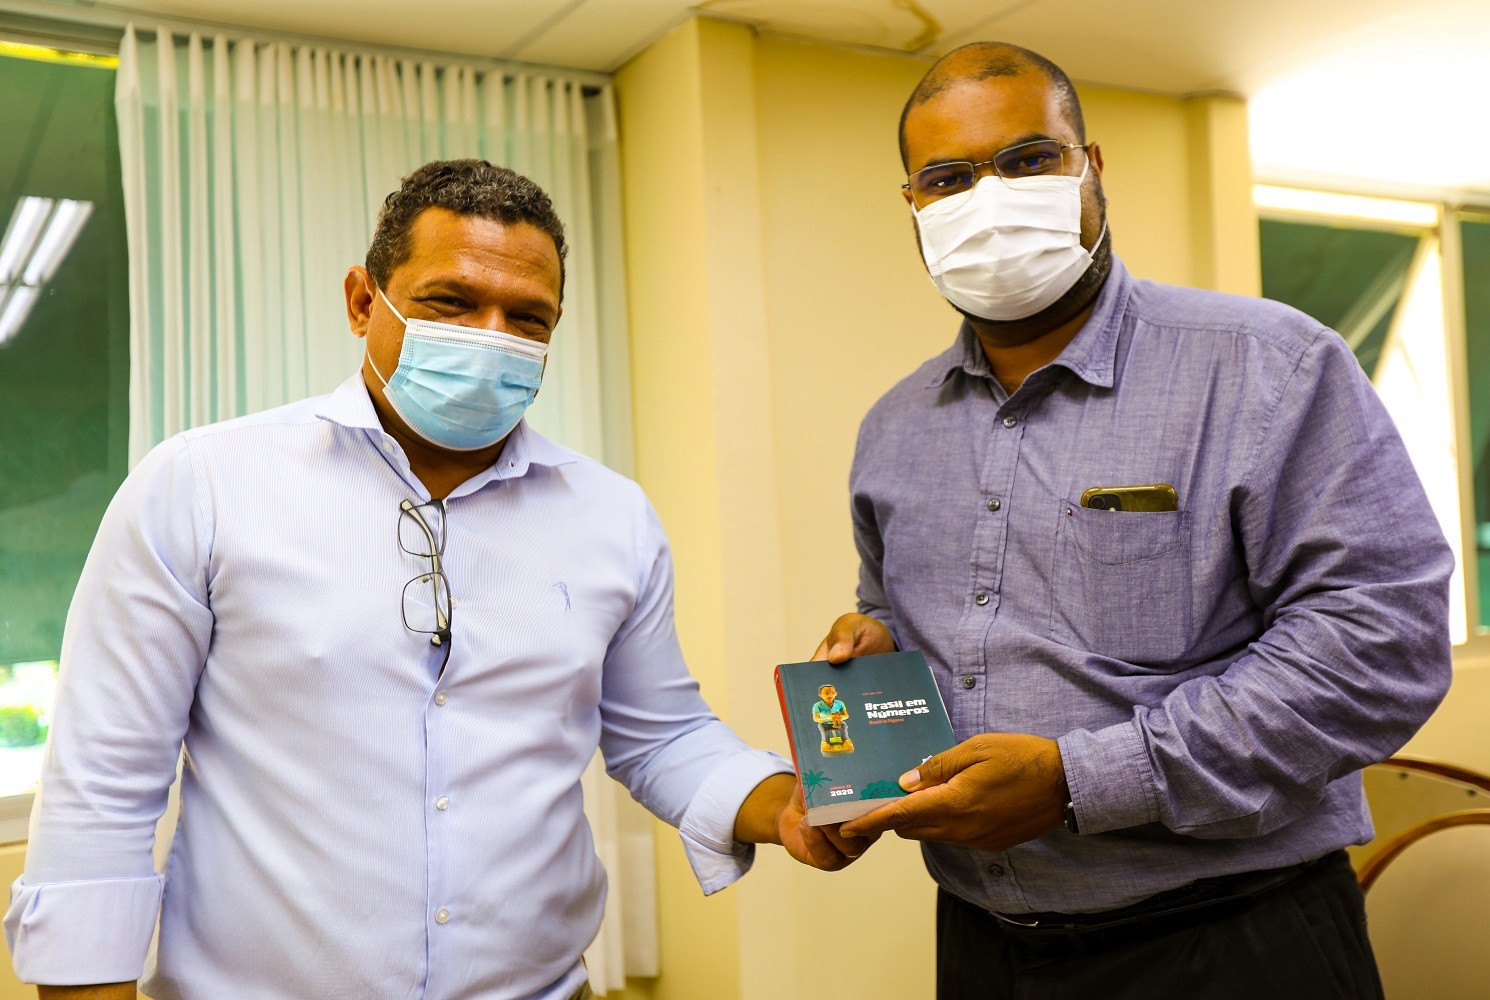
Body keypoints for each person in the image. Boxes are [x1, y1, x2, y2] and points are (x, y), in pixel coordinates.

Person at [7, 160, 869, 1000]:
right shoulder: (203, 485)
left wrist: (788, 809)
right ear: (361, 302)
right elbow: (104, 781)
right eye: (452, 302)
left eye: (528, 318)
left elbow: (661, 735)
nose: (490, 338)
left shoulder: (612, 515)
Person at [813, 42, 1453, 999]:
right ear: (913, 206)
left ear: (1092, 168)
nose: (987, 199)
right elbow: (913, 614)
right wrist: (880, 644)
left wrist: (1082, 780)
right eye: (947, 178)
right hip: (986, 944)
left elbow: (1378, 645)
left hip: (1235, 942)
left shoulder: (1268, 368)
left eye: (1027, 161)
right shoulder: (894, 429)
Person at [813, 684, 853, 754]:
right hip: (824, 723)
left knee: (843, 727)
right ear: (820, 695)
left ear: (836, 693)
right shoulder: (817, 705)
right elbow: (816, 719)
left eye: (833, 693)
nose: (829, 695)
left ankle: (845, 740)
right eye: (826, 693)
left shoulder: (840, 703)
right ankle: (825, 742)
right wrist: (828, 718)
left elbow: (846, 715)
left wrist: (840, 717)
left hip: (838, 722)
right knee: (823, 729)